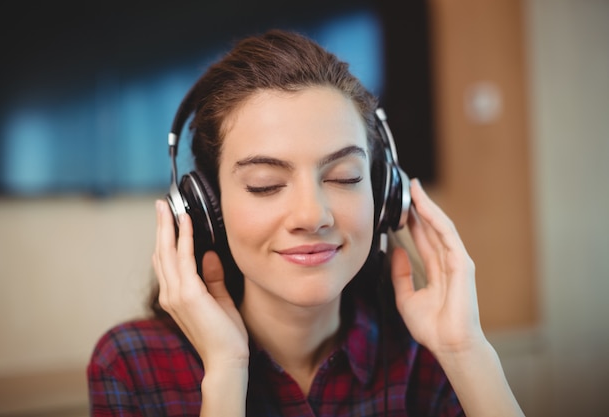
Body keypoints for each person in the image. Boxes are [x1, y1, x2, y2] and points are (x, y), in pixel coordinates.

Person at [87, 29, 524, 417]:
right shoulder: (131, 366)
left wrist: (466, 354)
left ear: (383, 192)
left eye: (344, 177)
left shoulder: (425, 356)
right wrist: (224, 373)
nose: (312, 216)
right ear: (205, 207)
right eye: (265, 184)